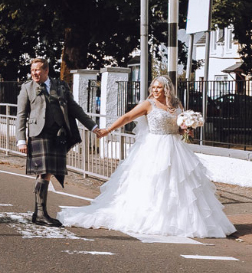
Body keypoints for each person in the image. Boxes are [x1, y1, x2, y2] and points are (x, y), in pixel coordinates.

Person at [58, 76, 235, 238]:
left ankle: (179, 220)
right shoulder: (148, 104)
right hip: (154, 148)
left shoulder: (176, 104)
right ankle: (151, 217)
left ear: (167, 89)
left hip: (175, 148)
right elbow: (127, 116)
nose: (156, 90)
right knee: (154, 183)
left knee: (179, 184)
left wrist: (187, 126)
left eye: (159, 87)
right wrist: (108, 130)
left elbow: (179, 129)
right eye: (154, 87)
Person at [16, 57, 98, 227]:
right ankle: (39, 213)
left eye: (37, 70)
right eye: (32, 70)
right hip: (39, 134)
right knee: (44, 171)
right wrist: (21, 140)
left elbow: (75, 109)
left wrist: (93, 127)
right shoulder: (27, 88)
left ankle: (38, 213)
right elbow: (21, 115)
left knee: (47, 172)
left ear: (46, 70)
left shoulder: (60, 86)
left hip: (58, 135)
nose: (34, 73)